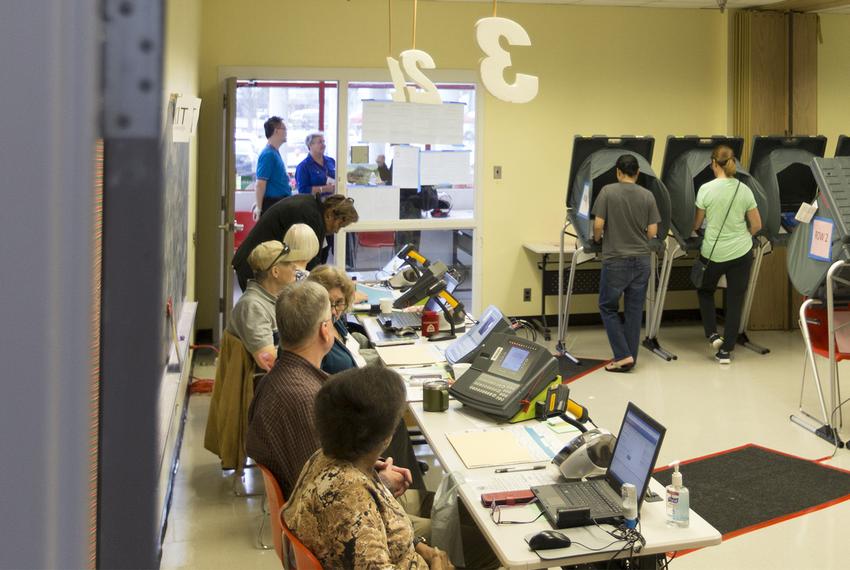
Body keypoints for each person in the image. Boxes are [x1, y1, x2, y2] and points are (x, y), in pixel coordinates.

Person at [245, 281, 410, 500]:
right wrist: (384, 482)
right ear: (325, 330)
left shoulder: (275, 381)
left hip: (314, 509)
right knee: (444, 522)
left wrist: (370, 465)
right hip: (339, 523)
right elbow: (329, 493)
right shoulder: (307, 399)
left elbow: (327, 466)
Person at [283, 367, 452, 570]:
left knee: (456, 514)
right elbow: (356, 518)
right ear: (384, 436)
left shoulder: (322, 457)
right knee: (475, 535)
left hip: (401, 552)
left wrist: (417, 545)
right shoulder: (350, 499)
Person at [692, 145, 762, 364]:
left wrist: (695, 230)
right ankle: (726, 351)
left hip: (713, 252)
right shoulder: (745, 189)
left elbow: (697, 223)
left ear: (714, 163)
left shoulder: (705, 189)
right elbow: (757, 225)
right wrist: (742, 236)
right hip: (741, 253)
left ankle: (712, 334)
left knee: (704, 290)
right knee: (734, 299)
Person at [592, 154, 661, 373]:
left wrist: (596, 239)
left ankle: (622, 356)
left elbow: (598, 225)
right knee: (633, 311)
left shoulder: (607, 192)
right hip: (642, 260)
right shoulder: (648, 195)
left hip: (616, 260)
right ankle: (630, 357)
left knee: (608, 307)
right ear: (638, 173)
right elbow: (652, 232)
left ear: (618, 172)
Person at [226, 225, 319, 373]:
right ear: (275, 271)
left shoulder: (275, 297)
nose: (296, 267)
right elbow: (270, 361)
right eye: (290, 264)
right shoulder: (252, 307)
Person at [232, 194, 359, 291]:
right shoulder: (310, 217)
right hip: (254, 266)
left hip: (258, 263)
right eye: (340, 225)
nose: (337, 231)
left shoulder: (311, 206)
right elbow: (310, 267)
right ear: (330, 214)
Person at [305, 265, 367, 374]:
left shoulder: (335, 322)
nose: (333, 311)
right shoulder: (311, 338)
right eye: (327, 303)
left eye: (339, 302)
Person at [253, 116, 292, 220]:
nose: (286, 132)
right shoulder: (268, 154)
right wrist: (259, 207)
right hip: (273, 204)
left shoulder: (275, 152)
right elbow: (260, 184)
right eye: (284, 129)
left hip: (280, 203)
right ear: (276, 131)